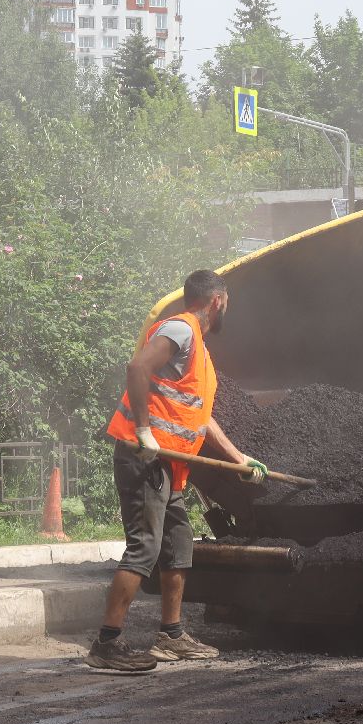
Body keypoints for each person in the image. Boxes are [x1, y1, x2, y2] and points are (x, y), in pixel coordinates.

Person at [92, 269, 268, 672]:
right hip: (145, 458)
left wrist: (239, 459)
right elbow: (136, 368)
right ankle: (107, 644)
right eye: (227, 304)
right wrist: (143, 430)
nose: (227, 310)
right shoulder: (181, 329)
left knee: (178, 542)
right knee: (145, 547)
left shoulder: (199, 351)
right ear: (217, 301)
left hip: (170, 466)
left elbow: (200, 419)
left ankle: (171, 637)